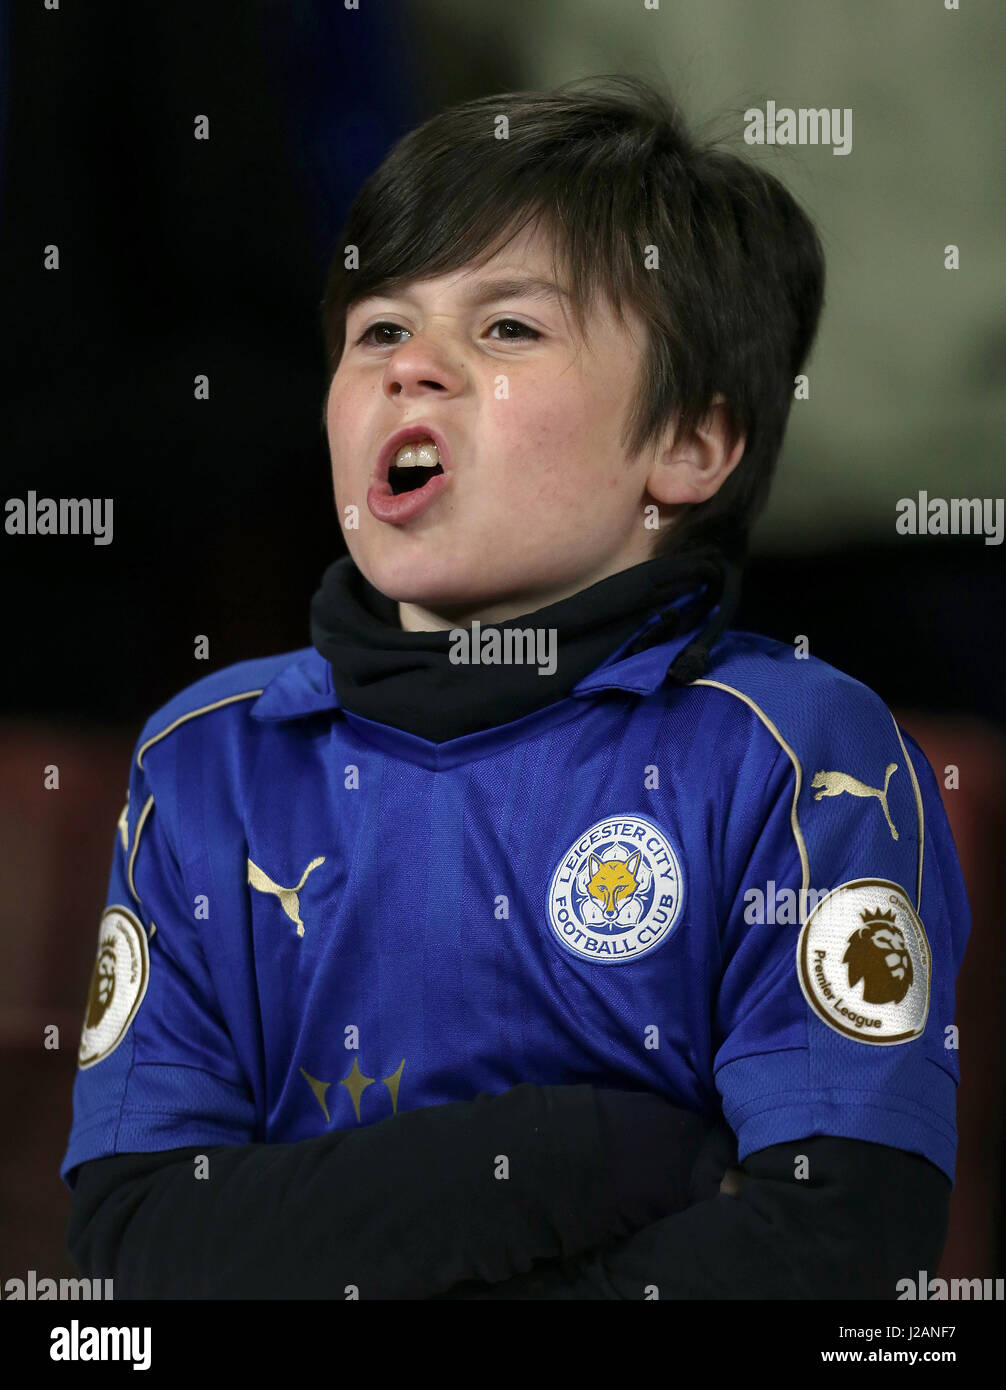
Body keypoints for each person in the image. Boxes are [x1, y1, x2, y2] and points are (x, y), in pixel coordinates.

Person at [60, 75, 968, 1299]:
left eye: (506, 329)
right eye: (379, 328)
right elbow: (140, 1252)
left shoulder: (796, 750)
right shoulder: (205, 757)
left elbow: (831, 1242)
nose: (410, 370)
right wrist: (585, 1151)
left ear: (688, 445)